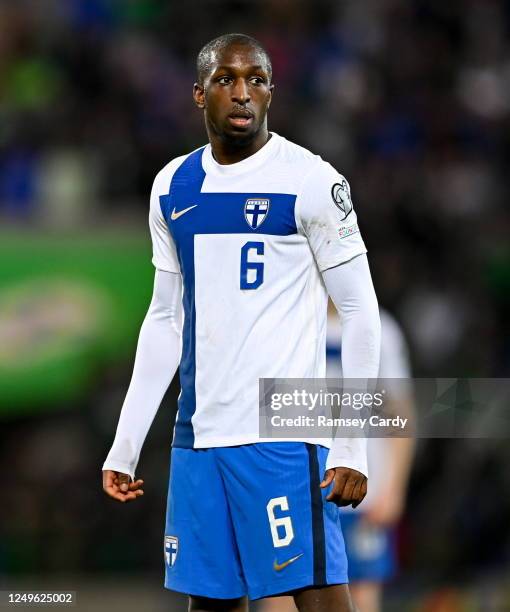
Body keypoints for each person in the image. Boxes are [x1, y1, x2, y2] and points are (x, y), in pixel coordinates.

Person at [102, 33, 381, 612]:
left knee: (320, 596)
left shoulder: (310, 181)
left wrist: (354, 443)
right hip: (198, 435)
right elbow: (163, 320)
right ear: (199, 93)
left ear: (272, 94)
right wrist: (125, 446)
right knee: (210, 604)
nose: (242, 93)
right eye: (227, 79)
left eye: (256, 79)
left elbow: (358, 313)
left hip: (281, 431)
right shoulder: (172, 186)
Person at [260, 307, 415, 612]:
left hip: (363, 493)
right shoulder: (283, 318)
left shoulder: (381, 327)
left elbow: (399, 414)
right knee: (282, 592)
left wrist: (395, 487)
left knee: (362, 595)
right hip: (296, 487)